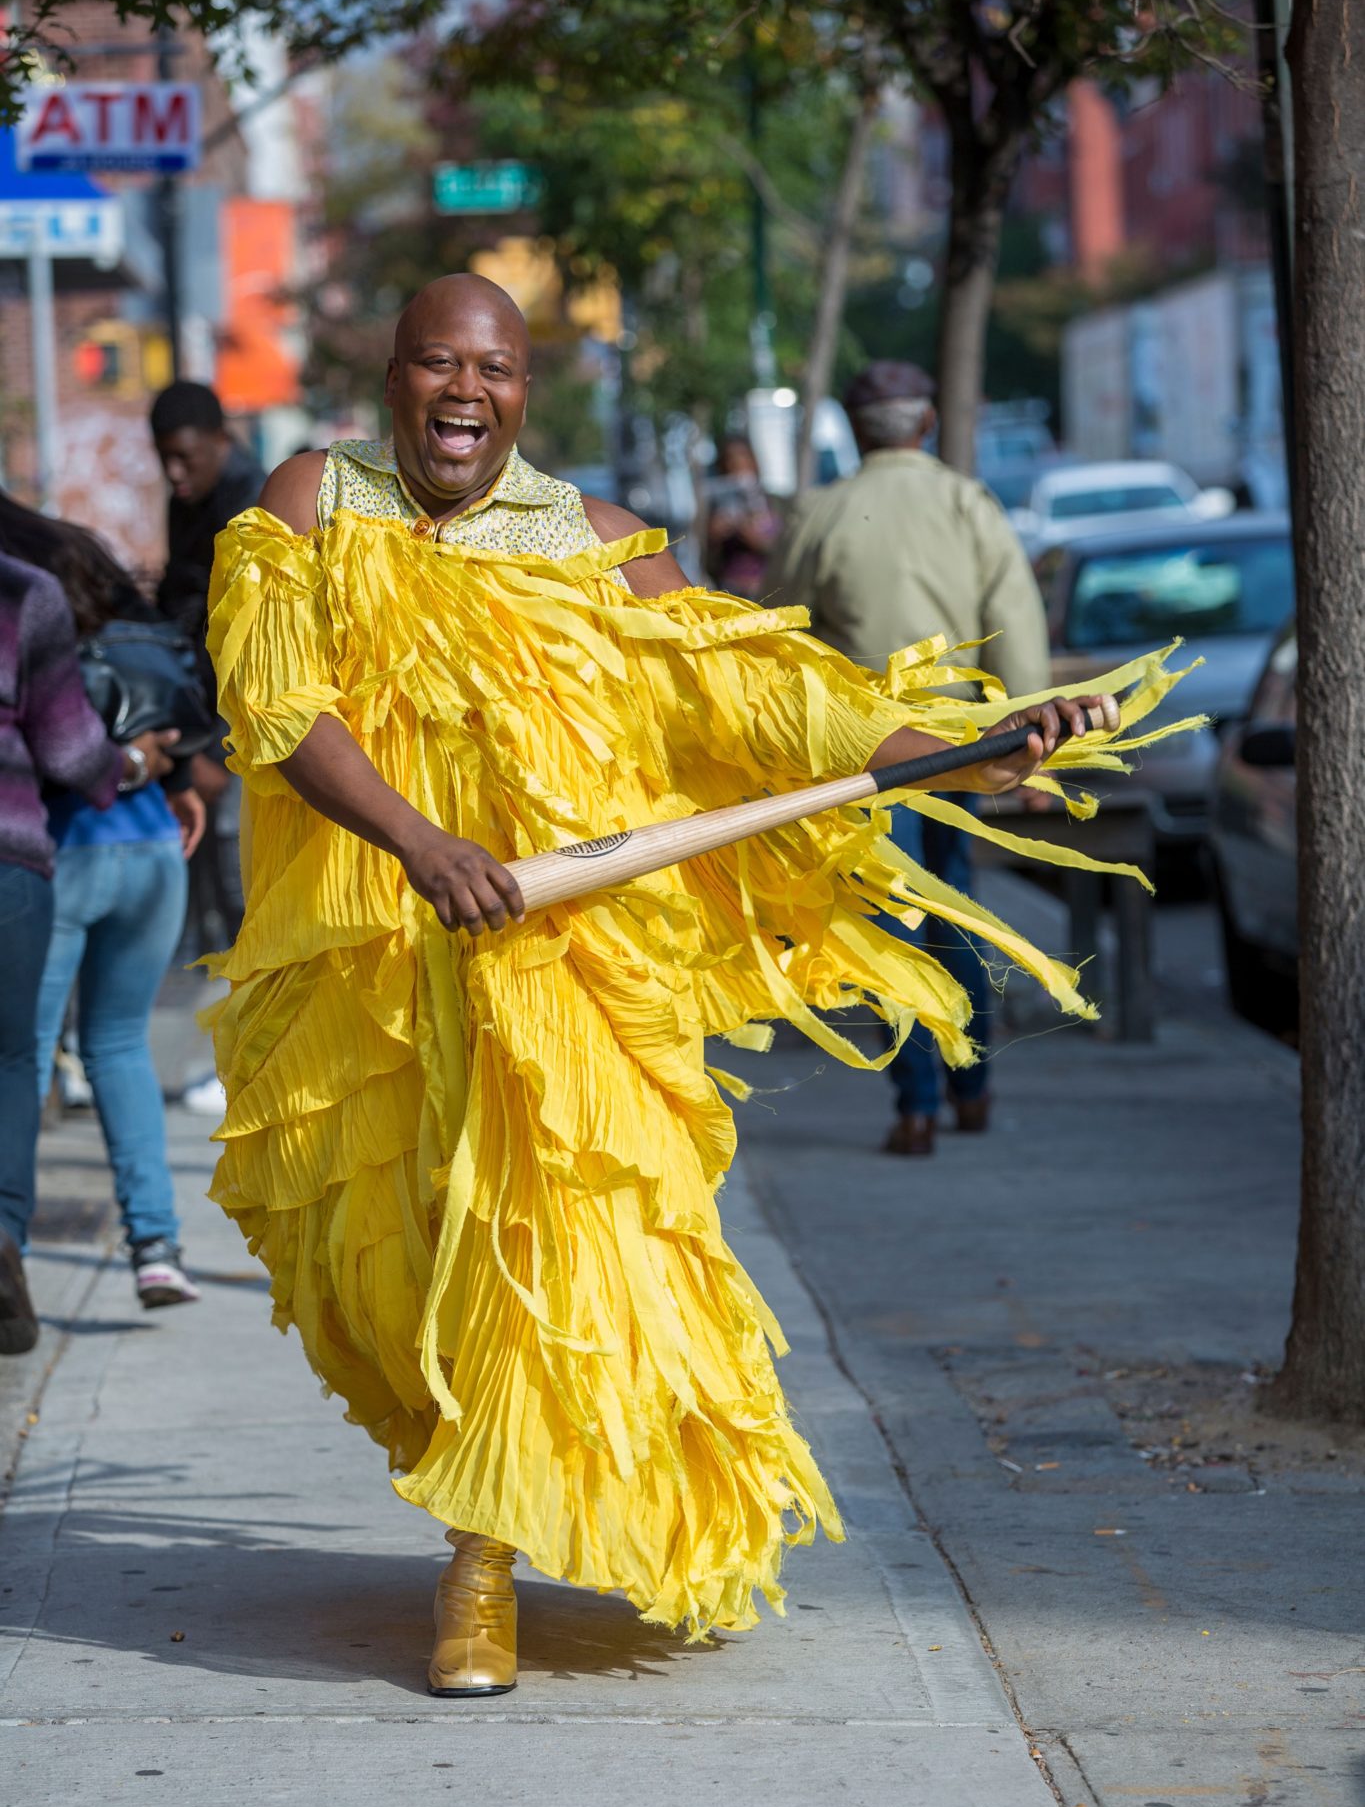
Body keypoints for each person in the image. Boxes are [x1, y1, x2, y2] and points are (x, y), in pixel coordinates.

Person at [204, 273, 1172, 1698]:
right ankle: (482, 1497)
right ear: (393, 378)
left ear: (526, 391)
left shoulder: (595, 540)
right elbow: (276, 703)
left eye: (494, 369)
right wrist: (417, 843)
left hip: (562, 972)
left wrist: (960, 747)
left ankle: (480, 1566)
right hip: (369, 962)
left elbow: (761, 693)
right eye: (435, 365)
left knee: (534, 1252)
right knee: (387, 1265)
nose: (464, 392)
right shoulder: (306, 503)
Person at [768, 360, 1053, 1158]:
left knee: (892, 919)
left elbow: (775, 631)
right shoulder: (967, 504)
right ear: (924, 424)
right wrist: (1035, 751)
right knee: (954, 905)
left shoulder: (822, 511)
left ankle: (916, 1106)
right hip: (963, 747)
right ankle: (974, 1085)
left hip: (863, 754)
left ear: (858, 432)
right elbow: (1016, 619)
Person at [0, 493, 206, 1310]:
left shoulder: (33, 612)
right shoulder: (83, 591)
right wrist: (173, 777)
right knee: (118, 1045)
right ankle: (156, 1248)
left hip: (63, 853)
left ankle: (7, 1242)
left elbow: (67, 753)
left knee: (24, 1052)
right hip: (154, 849)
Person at [150, 381, 264, 966]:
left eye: (185, 457)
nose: (173, 472)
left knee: (241, 880)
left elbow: (251, 640)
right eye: (163, 456)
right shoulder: (189, 499)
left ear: (221, 440)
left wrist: (217, 751)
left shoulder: (254, 504)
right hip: (202, 719)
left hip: (243, 733)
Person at [704, 435, 779, 599]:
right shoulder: (714, 504)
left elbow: (787, 548)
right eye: (730, 459)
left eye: (742, 457)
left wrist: (756, 540)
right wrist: (714, 534)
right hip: (731, 590)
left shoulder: (774, 501)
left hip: (768, 588)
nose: (736, 464)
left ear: (753, 461)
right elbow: (703, 554)